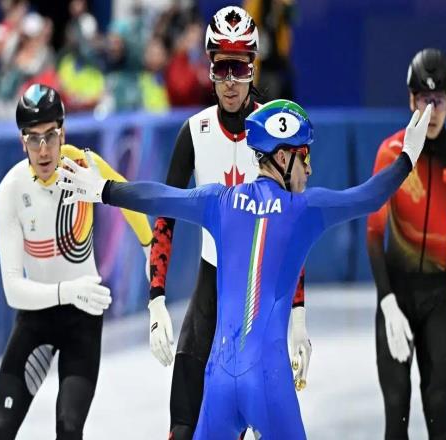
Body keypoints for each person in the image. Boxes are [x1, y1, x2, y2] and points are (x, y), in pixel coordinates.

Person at [58, 98, 432, 440]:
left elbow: (160, 197)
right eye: (304, 156)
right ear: (282, 157)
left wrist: (105, 190)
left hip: (219, 382)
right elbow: (369, 196)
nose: (309, 168)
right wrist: (407, 158)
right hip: (268, 381)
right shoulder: (306, 209)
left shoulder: (219, 201)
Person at [146, 6, 310, 439]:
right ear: (209, 67)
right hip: (210, 292)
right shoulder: (194, 131)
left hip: (260, 306)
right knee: (182, 428)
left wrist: (298, 315)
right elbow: (164, 220)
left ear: (254, 66)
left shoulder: (279, 130)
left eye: (240, 68)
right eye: (222, 68)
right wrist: (156, 299)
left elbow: (294, 230)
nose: (231, 81)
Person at [0, 84, 152, 440]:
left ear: (62, 133)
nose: (44, 149)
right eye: (33, 139)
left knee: (69, 429)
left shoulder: (83, 165)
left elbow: (126, 195)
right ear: (21, 142)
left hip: (82, 320)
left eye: (50, 136)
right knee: (1, 429)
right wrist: (68, 291)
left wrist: (150, 248)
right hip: (36, 317)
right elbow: (13, 290)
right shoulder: (12, 188)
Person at [366, 48, 446, 440]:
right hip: (396, 294)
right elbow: (373, 233)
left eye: (440, 101)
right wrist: (387, 302)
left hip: (438, 299)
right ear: (410, 100)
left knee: (436, 407)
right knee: (396, 411)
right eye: (423, 100)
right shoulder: (390, 153)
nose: (431, 111)